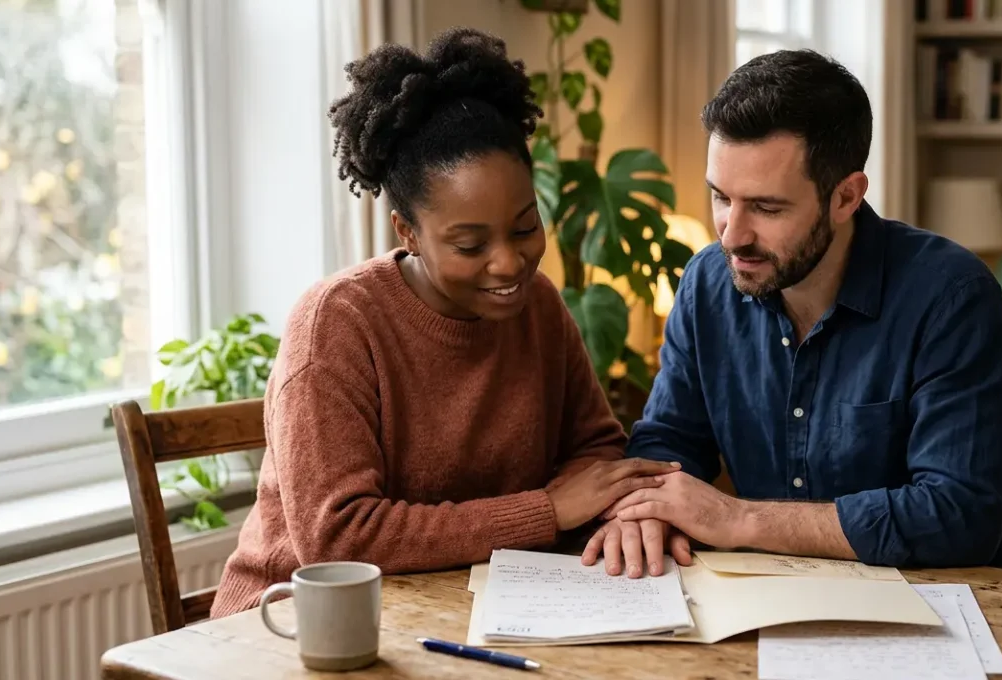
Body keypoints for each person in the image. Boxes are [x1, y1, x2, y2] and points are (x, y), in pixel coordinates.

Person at [210, 28, 678, 618]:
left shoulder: (538, 305)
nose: (509, 262)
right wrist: (549, 511)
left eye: (524, 226)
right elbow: (339, 537)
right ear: (407, 231)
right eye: (469, 243)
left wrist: (595, 492)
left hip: (463, 609)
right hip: (292, 628)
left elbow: (594, 445)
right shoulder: (336, 325)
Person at [582, 48, 1002, 579]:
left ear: (846, 197)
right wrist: (645, 516)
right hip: (768, 602)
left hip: (950, 610)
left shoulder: (953, 298)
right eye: (721, 197)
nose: (732, 234)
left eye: (767, 208)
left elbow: (959, 516)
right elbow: (668, 444)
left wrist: (741, 519)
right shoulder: (707, 283)